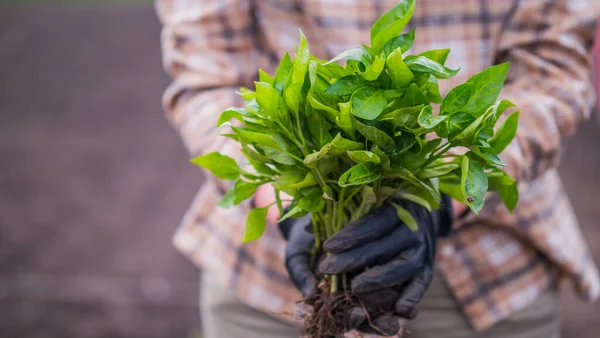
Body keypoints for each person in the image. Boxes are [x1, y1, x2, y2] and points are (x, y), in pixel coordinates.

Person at [156, 0, 600, 337]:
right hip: (267, 290)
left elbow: (554, 74)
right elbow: (209, 75)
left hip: (487, 281)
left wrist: (441, 196)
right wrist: (288, 203)